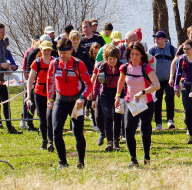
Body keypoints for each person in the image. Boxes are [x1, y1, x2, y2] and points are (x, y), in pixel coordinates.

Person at [46, 37, 92, 169]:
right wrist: (50, 99)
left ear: (71, 50)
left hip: (76, 102)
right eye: (59, 52)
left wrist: (82, 98)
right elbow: (50, 82)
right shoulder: (54, 64)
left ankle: (80, 162)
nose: (62, 55)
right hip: (61, 101)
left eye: (64, 52)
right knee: (56, 131)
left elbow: (88, 84)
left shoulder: (78, 64)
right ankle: (62, 162)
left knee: (78, 133)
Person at [115, 41, 160, 167]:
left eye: (137, 54)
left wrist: (143, 92)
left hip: (146, 103)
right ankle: (133, 159)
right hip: (131, 103)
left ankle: (146, 156)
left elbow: (157, 85)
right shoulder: (125, 68)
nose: (134, 57)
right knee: (128, 130)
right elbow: (121, 81)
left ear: (141, 55)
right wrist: (118, 96)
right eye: (132, 54)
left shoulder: (146, 67)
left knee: (145, 131)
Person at [90, 44, 123, 151]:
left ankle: (116, 141)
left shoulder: (122, 67)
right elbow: (96, 84)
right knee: (108, 115)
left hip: (118, 93)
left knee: (117, 117)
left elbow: (125, 82)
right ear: (106, 58)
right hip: (106, 93)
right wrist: (94, 98)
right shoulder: (102, 66)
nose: (112, 61)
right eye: (110, 59)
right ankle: (109, 142)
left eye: (114, 59)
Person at [27, 40, 55, 150]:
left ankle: (51, 141)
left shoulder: (55, 61)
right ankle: (44, 140)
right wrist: (29, 96)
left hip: (52, 93)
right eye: (45, 50)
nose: (47, 52)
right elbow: (30, 80)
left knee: (51, 117)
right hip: (39, 93)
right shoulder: (37, 62)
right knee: (43, 118)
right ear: (41, 50)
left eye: (49, 50)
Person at [148, 30, 177, 131]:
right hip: (156, 80)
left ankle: (170, 120)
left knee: (169, 98)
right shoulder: (152, 50)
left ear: (164, 39)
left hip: (169, 79)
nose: (156, 40)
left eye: (158, 38)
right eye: (155, 38)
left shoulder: (173, 50)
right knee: (157, 101)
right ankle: (158, 123)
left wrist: (174, 78)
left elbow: (177, 64)